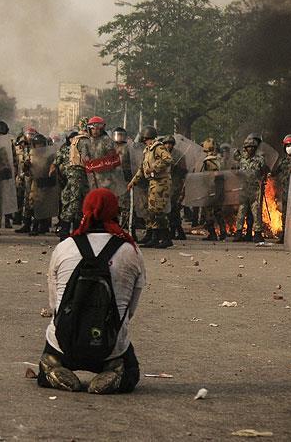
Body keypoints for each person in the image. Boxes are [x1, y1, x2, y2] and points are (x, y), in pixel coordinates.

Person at [39, 187, 144, 394]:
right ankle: (115, 372)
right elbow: (130, 310)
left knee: (49, 357)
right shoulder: (131, 251)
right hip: (110, 344)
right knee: (131, 371)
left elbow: (54, 305)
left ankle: (52, 367)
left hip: (64, 342)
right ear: (115, 212)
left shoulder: (65, 247)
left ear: (84, 211)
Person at [127, 126, 173, 248]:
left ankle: (166, 238)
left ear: (148, 138)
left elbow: (168, 159)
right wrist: (133, 182)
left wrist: (154, 167)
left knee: (158, 210)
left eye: (145, 140)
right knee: (152, 210)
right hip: (153, 182)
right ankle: (154, 237)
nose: (144, 142)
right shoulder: (147, 151)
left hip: (161, 182)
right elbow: (142, 169)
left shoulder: (158, 147)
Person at [233, 137, 266, 242]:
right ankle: (238, 233)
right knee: (241, 212)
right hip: (243, 190)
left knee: (256, 212)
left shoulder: (260, 160)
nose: (250, 149)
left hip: (255, 190)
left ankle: (257, 234)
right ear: (245, 148)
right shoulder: (242, 160)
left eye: (252, 147)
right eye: (248, 147)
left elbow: (264, 172)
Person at [199, 138, 227, 241]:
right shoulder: (219, 159)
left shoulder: (208, 161)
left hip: (211, 190)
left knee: (208, 212)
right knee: (218, 211)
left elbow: (209, 176)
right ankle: (223, 232)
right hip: (219, 190)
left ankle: (212, 234)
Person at [162, 135, 188, 241]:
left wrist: (177, 168)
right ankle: (177, 232)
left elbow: (184, 171)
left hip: (175, 184)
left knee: (173, 208)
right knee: (170, 210)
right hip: (164, 184)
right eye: (166, 143)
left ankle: (175, 231)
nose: (168, 145)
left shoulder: (179, 155)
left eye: (170, 143)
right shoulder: (162, 153)